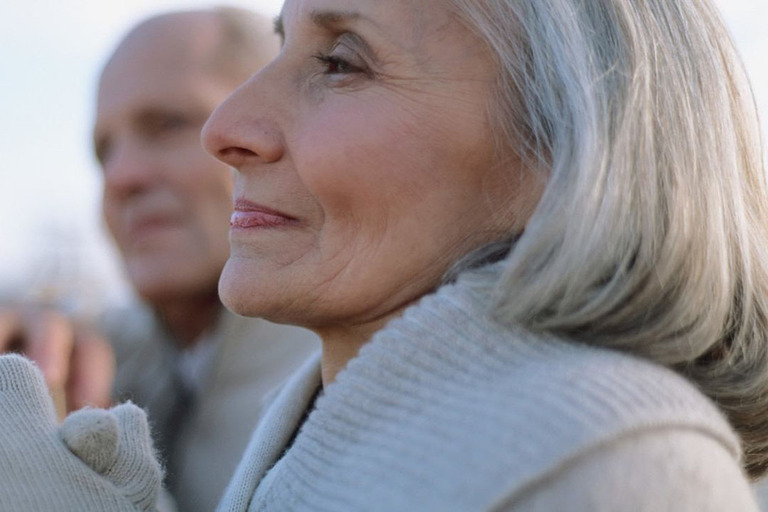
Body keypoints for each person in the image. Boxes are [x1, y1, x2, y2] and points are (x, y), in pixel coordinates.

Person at [0, 0, 765, 510]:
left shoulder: (615, 463)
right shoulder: (314, 413)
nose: (227, 127)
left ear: (572, 147)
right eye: (283, 48)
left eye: (340, 62)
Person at [0, 8, 319, 512]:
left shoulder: (353, 392)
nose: (120, 176)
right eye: (104, 150)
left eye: (168, 125)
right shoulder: (99, 358)